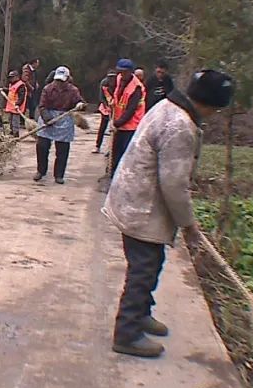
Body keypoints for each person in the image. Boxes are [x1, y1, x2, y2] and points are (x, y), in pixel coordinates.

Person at [102, 69, 234, 358]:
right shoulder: (180, 127)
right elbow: (174, 184)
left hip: (132, 197)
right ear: (211, 105)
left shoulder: (167, 106)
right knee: (143, 269)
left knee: (152, 262)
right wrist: (188, 224)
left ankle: (142, 314)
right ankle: (127, 333)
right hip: (142, 206)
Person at [34, 66, 85, 184]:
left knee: (62, 149)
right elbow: (42, 106)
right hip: (48, 116)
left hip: (64, 119)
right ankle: (41, 171)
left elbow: (81, 102)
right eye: (57, 80)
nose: (59, 83)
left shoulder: (73, 90)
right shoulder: (48, 89)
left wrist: (80, 104)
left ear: (67, 79)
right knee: (42, 146)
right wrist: (47, 118)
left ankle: (59, 175)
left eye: (62, 81)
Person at [110, 58, 146, 177]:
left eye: (125, 72)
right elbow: (116, 94)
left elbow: (130, 110)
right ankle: (113, 175)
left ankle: (123, 177)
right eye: (120, 71)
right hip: (120, 124)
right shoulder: (119, 78)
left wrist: (116, 124)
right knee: (115, 153)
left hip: (131, 126)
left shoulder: (136, 88)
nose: (122, 74)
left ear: (131, 71)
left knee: (126, 155)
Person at [93, 69, 116, 154]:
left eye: (113, 77)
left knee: (114, 128)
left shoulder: (119, 84)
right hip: (106, 107)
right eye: (110, 78)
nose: (112, 80)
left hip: (116, 107)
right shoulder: (104, 83)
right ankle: (97, 146)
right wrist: (107, 105)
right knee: (103, 127)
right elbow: (101, 97)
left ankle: (111, 149)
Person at [3, 70, 28, 137]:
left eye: (12, 77)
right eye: (10, 77)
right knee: (10, 120)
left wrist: (18, 104)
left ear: (17, 77)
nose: (11, 79)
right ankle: (11, 132)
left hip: (17, 107)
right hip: (11, 106)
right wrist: (3, 89)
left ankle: (15, 133)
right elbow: (10, 91)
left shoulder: (21, 85)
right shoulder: (12, 84)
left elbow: (21, 97)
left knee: (15, 121)